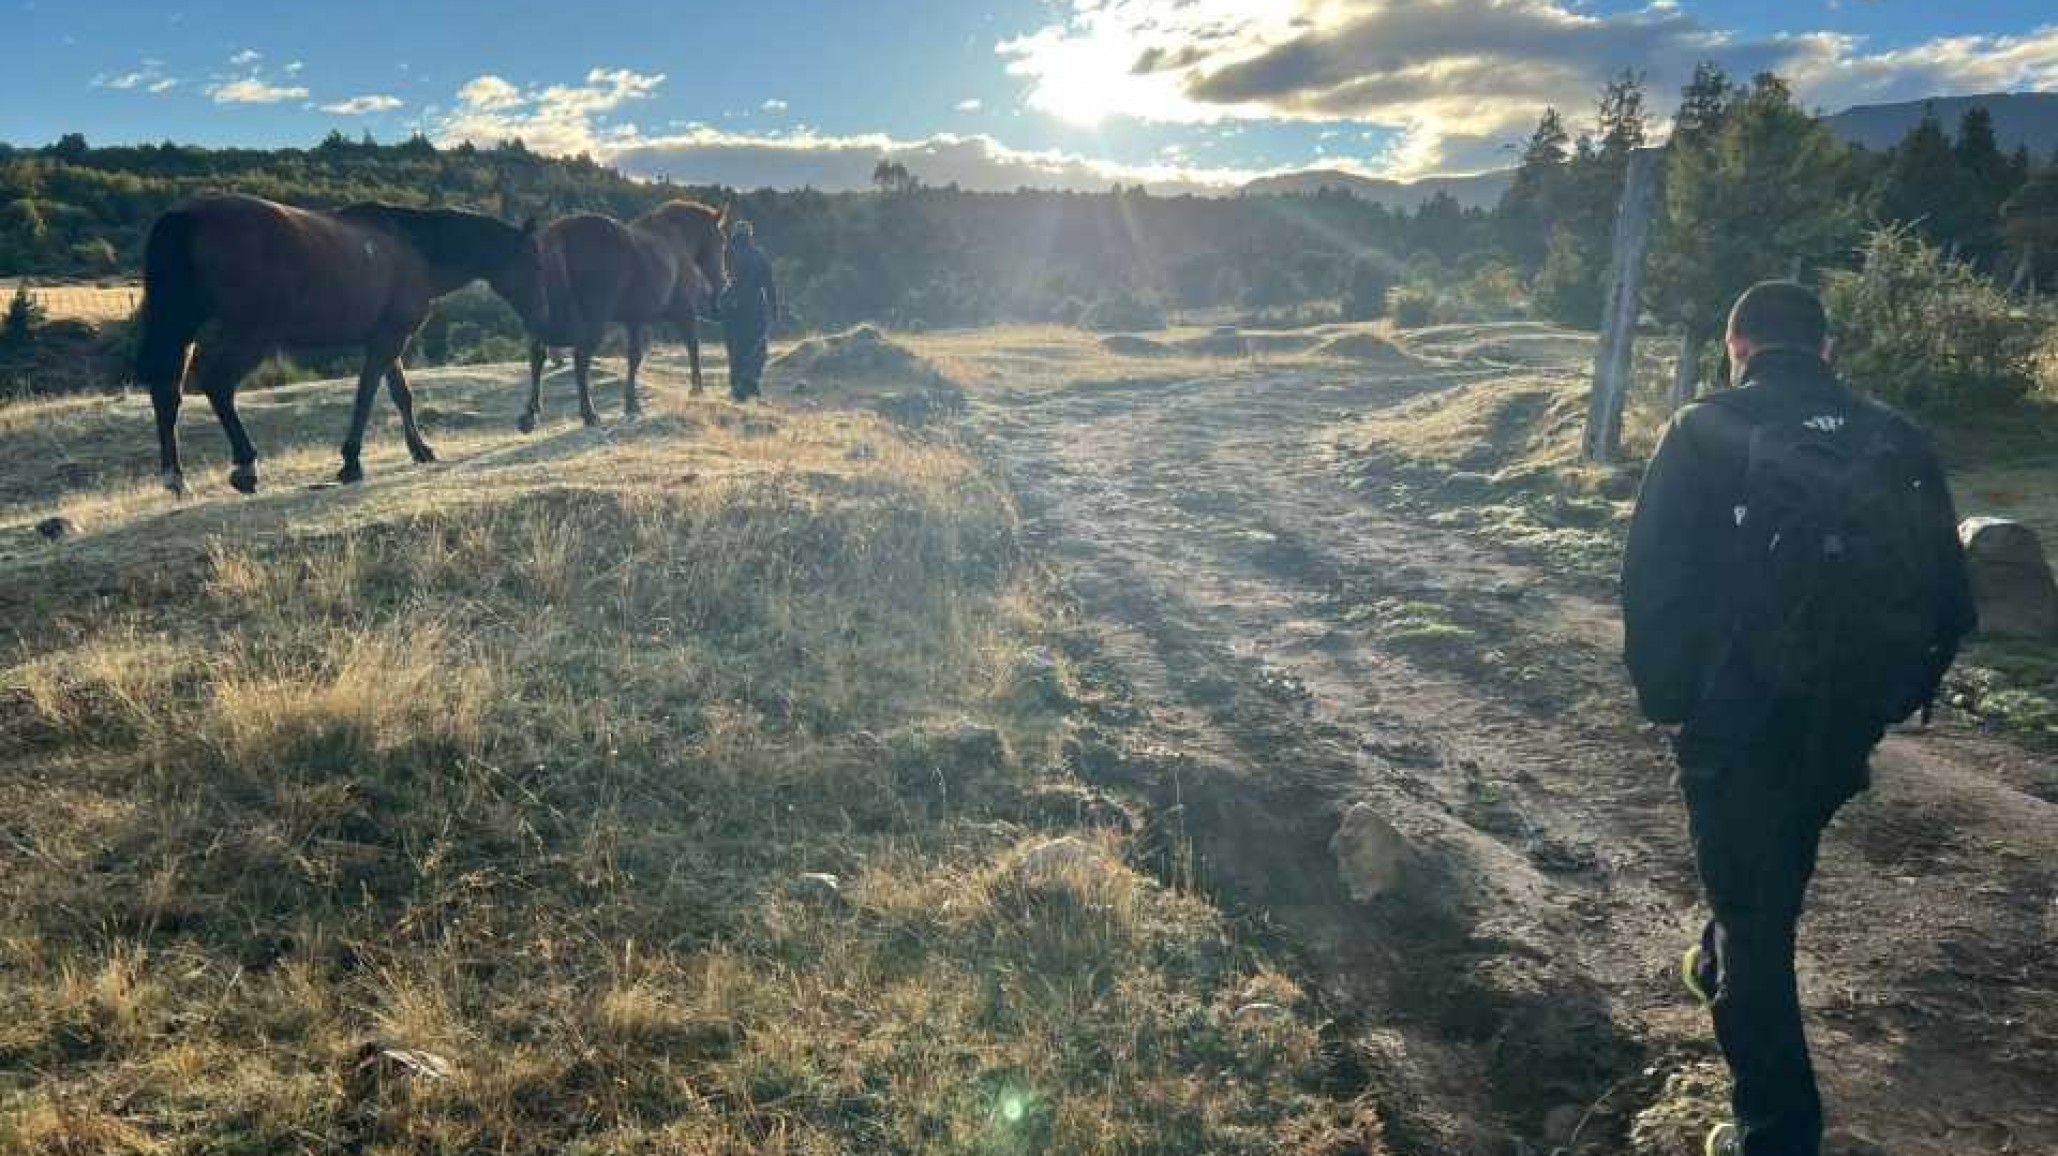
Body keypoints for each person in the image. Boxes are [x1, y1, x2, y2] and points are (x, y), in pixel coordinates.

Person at [1621, 281, 1975, 1156]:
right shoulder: (1896, 436)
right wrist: (1893, 693)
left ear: (1736, 347)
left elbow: (1652, 583)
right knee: (1767, 873)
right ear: (1825, 349)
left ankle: (1777, 1134)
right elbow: (1952, 593)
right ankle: (1720, 958)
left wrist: (1672, 707)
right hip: (1848, 713)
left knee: (1756, 920)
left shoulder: (1703, 429)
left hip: (1737, 718)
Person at [719, 219, 780, 402]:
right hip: (756, 307)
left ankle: (738, 386)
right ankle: (749, 382)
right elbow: (770, 286)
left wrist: (723, 301)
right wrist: (774, 310)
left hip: (733, 307)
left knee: (735, 348)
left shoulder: (728, 252)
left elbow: (726, 278)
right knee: (757, 347)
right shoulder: (760, 256)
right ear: (750, 235)